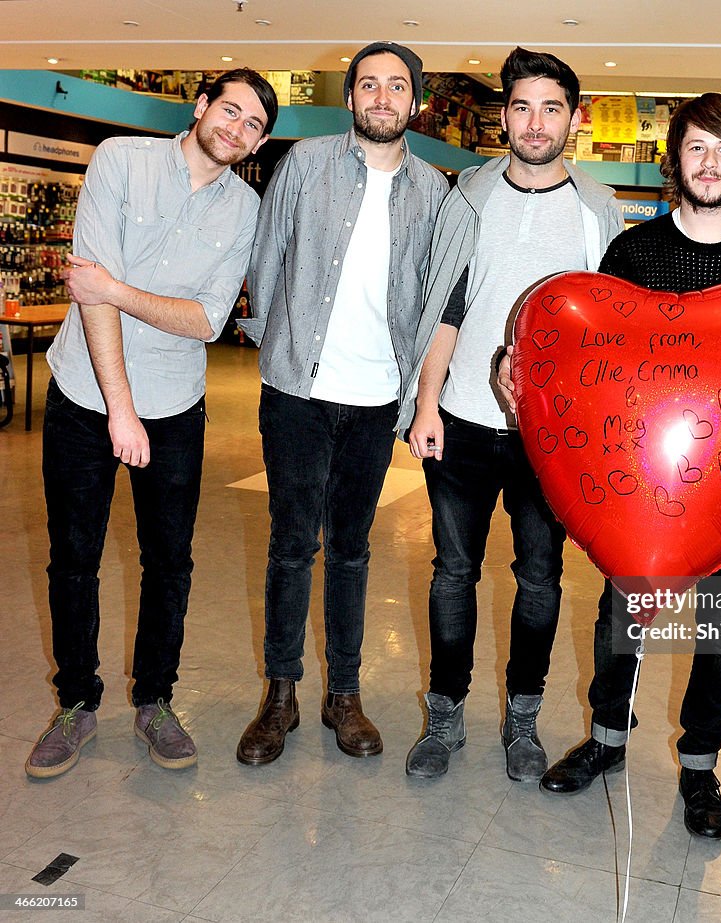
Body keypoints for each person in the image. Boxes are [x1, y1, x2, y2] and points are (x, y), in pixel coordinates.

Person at [502, 93, 721, 837]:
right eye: (697, 148)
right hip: (639, 487)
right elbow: (593, 358)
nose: (710, 163)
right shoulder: (636, 254)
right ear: (676, 160)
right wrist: (522, 374)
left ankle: (700, 765)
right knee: (619, 612)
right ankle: (607, 739)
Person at [26, 69, 277, 778]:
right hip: (84, 396)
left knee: (169, 560)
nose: (237, 128)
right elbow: (88, 293)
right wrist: (120, 408)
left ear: (259, 140)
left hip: (175, 407)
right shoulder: (119, 160)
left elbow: (204, 319)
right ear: (201, 107)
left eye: (253, 124)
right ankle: (75, 701)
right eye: (230, 110)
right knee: (73, 555)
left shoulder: (244, 209)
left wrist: (117, 286)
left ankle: (155, 700)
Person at [400, 47, 624, 781]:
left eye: (551, 107)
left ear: (576, 119)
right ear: (504, 115)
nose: (535, 122)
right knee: (451, 572)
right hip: (461, 420)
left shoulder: (599, 211)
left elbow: (607, 332)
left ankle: (523, 719)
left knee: (539, 578)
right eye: (522, 107)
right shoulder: (467, 194)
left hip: (550, 436)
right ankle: (445, 716)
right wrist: (426, 403)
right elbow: (446, 309)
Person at [236, 42, 447, 766]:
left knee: (352, 550)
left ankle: (344, 695)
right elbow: (267, 255)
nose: (381, 98)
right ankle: (282, 695)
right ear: (350, 98)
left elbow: (431, 297)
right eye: (368, 85)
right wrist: (274, 347)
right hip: (298, 390)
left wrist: (421, 397)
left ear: (414, 101)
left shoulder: (433, 191)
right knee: (292, 544)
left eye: (396, 87)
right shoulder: (305, 165)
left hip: (375, 397)